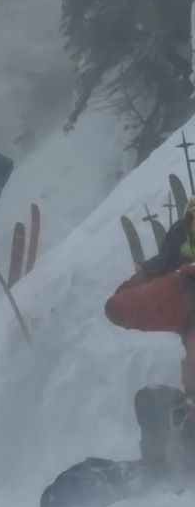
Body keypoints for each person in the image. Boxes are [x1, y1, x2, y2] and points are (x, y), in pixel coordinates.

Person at [104, 196, 195, 468]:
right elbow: (119, 308)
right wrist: (170, 274)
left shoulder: (185, 289)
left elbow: (119, 309)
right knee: (152, 402)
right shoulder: (185, 289)